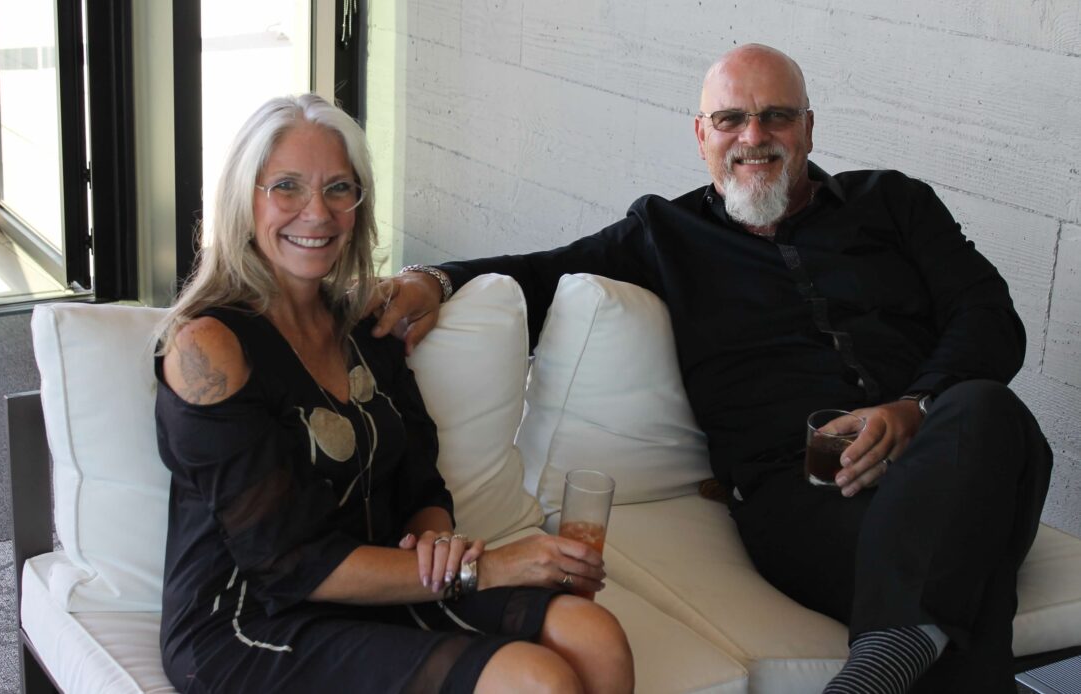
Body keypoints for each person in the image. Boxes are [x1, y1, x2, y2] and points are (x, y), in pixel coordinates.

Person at [372, 45, 1053, 693]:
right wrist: (432, 278)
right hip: (806, 503)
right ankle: (892, 659)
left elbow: (990, 316)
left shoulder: (896, 204)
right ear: (702, 135)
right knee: (974, 565)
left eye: (776, 116)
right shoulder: (665, 235)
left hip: (949, 461)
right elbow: (538, 272)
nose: (753, 136)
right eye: (731, 119)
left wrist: (913, 411)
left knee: (989, 408)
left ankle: (876, 667)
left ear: (809, 129)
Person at [154, 94, 634, 694]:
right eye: (286, 187)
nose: (317, 213)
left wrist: (436, 536)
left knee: (596, 638)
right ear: (242, 202)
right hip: (249, 622)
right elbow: (287, 561)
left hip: (380, 584)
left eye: (337, 189)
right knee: (535, 680)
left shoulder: (366, 321)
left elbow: (419, 480)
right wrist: (489, 568)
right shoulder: (210, 349)